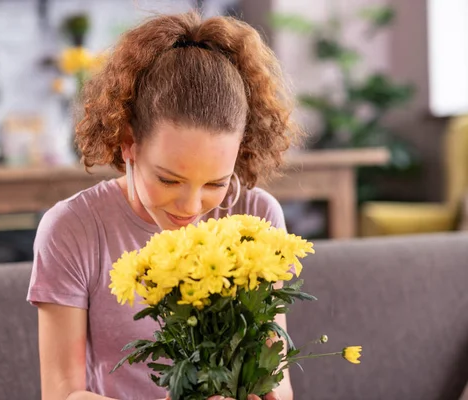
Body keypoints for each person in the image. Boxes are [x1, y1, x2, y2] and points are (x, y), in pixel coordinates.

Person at [27, 10, 302, 400]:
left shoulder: (256, 220)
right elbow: (61, 394)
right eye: (169, 179)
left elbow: (276, 374)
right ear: (127, 142)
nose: (192, 207)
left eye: (215, 183)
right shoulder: (74, 228)